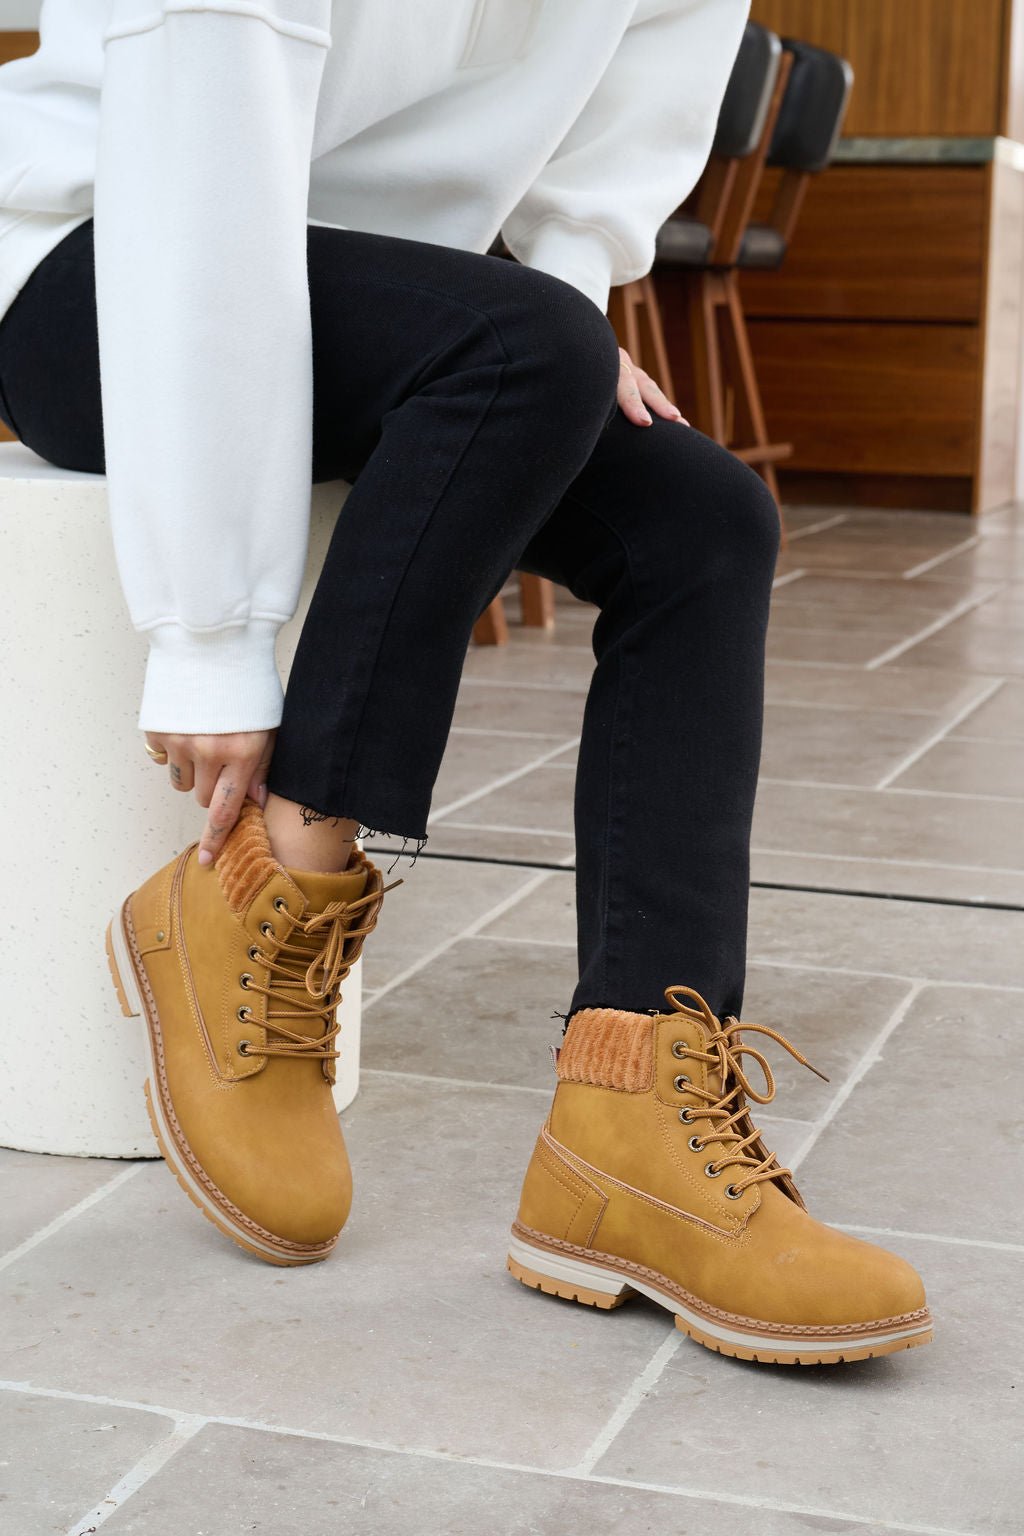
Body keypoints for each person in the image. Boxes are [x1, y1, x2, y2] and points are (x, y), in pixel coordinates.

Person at [0, 0, 930, 1363]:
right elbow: (193, 172)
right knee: (526, 349)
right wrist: (210, 627)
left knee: (703, 519)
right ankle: (262, 885)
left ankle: (634, 1120)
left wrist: (555, 291)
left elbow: (633, 105)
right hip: (100, 256)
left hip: (410, 309)